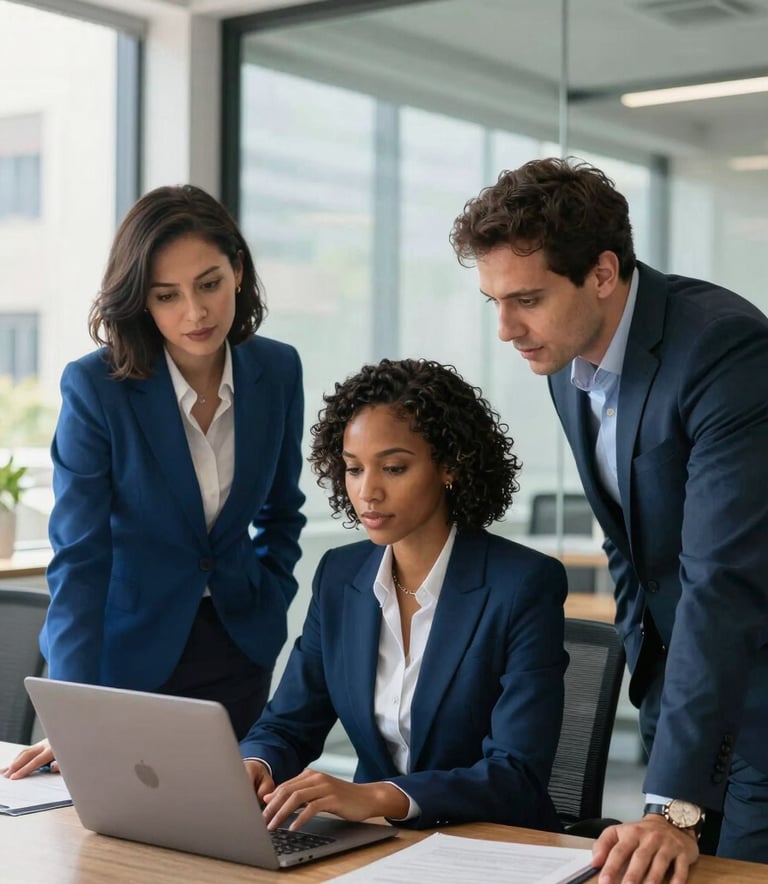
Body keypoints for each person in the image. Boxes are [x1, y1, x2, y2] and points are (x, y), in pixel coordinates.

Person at [450, 157, 768, 881]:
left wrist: (675, 804)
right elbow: (628, 545)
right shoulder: (568, 364)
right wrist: (653, 690)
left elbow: (720, 581)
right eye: (493, 301)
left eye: (526, 298)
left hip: (758, 701)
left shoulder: (724, 350)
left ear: (600, 272)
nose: (506, 329)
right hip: (683, 702)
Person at [3, 184, 306, 779]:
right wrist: (72, 708)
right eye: (167, 296)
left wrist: (270, 599)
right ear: (141, 301)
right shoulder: (97, 388)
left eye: (210, 284)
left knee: (233, 834)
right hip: (131, 654)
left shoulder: (277, 369)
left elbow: (282, 511)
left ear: (238, 271)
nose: (194, 313)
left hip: (240, 643)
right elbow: (79, 557)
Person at [238, 358, 568, 832]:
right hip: (376, 843)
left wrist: (376, 796)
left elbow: (515, 775)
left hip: (492, 844)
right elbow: (287, 724)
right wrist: (258, 765)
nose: (367, 491)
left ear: (450, 465)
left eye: (393, 468)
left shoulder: (523, 585)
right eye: (353, 469)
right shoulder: (340, 576)